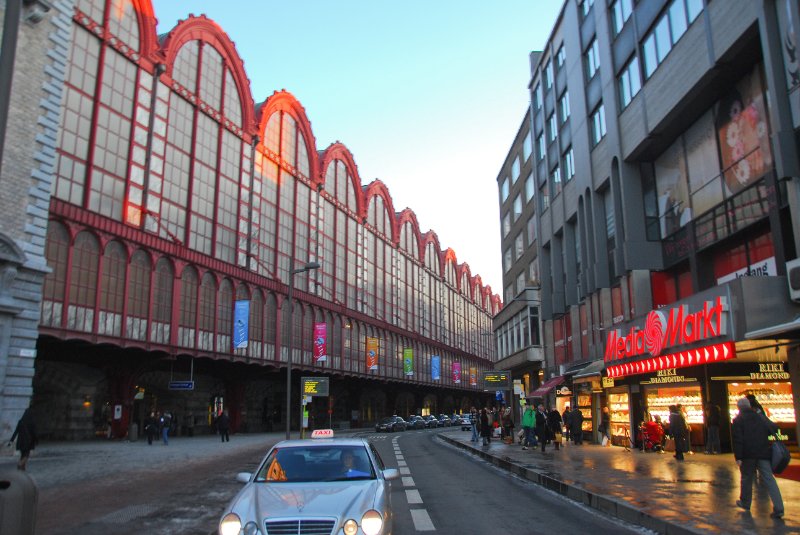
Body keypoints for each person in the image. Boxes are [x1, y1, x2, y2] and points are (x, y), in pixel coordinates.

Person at [732, 397, 784, 519]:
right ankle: (779, 507)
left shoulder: (738, 420)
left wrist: (738, 457)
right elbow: (774, 428)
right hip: (763, 453)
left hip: (747, 455)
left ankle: (745, 502)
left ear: (739, 408)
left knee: (746, 478)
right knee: (769, 479)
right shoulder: (760, 417)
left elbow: (738, 440)